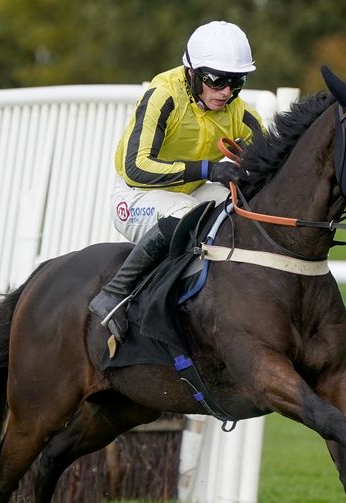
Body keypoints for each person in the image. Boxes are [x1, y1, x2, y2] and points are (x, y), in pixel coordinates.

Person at [89, 20, 264, 342]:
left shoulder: (239, 110)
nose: (226, 91)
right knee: (187, 215)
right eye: (216, 80)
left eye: (236, 81)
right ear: (192, 72)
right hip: (137, 197)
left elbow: (268, 162)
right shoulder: (163, 96)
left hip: (190, 193)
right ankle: (114, 294)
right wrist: (208, 171)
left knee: (242, 208)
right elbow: (135, 167)